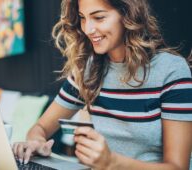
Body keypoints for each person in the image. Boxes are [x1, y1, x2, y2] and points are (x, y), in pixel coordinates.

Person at [13, 0, 192, 169]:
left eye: (99, 17)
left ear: (127, 15)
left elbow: (178, 167)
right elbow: (40, 128)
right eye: (83, 18)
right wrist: (36, 141)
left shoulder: (171, 70)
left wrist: (112, 163)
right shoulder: (88, 71)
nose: (88, 29)